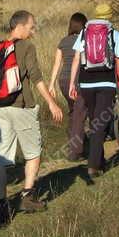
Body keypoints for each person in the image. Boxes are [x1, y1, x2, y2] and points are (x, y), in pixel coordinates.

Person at [0, 10, 64, 224]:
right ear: (20, 26)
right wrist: (51, 102)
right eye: (31, 26)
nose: (33, 30)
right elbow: (36, 76)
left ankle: (2, 204)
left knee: (0, 159)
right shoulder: (27, 46)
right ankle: (27, 196)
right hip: (22, 107)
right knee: (33, 153)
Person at [68, 3, 119, 178]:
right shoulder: (114, 33)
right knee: (100, 124)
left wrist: (72, 82)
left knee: (95, 121)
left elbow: (77, 58)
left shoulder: (85, 32)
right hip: (107, 84)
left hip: (86, 84)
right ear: (109, 16)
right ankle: (93, 165)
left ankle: (99, 160)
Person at [49, 12, 88, 161]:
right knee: (80, 114)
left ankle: (76, 144)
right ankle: (75, 151)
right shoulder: (84, 40)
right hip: (77, 80)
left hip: (63, 81)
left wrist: (51, 84)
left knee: (73, 112)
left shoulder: (63, 41)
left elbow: (57, 64)